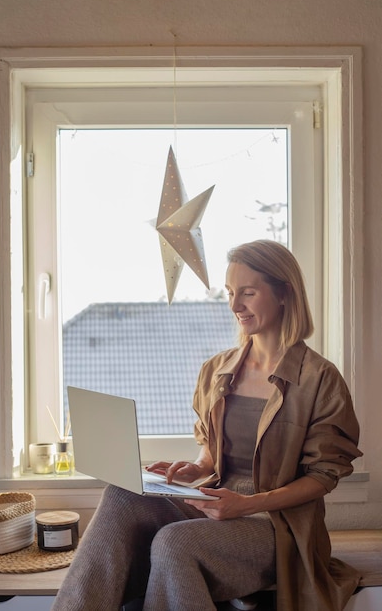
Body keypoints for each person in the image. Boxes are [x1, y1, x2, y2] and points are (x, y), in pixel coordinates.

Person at [52, 239, 362, 611]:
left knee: (174, 542)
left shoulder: (320, 379)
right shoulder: (217, 370)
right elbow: (213, 449)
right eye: (230, 292)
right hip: (217, 505)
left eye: (248, 292)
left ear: (284, 293)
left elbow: (322, 476)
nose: (235, 306)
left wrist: (247, 504)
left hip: (276, 526)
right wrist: (198, 468)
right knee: (120, 495)